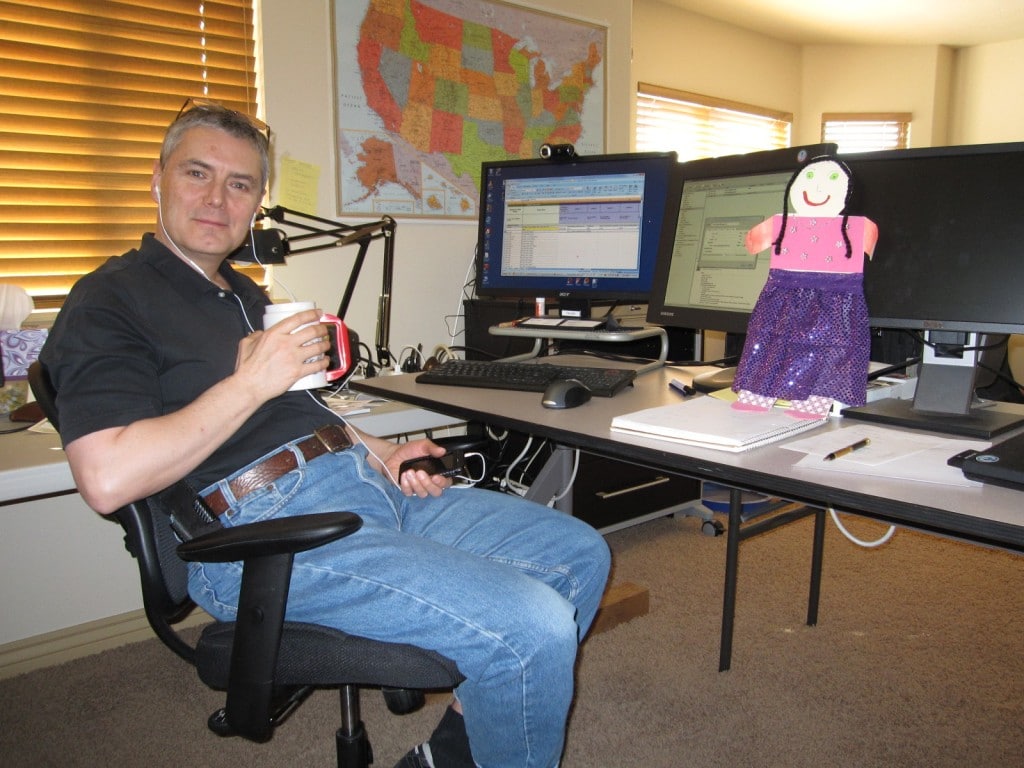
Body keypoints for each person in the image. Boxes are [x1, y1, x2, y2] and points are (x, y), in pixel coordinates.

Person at [39, 100, 611, 768]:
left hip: (362, 488)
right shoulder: (108, 299)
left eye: (241, 184)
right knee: (531, 625)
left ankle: (453, 753)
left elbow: (307, 416)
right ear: (157, 179)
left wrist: (384, 453)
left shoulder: (243, 295)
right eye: (198, 173)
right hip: (267, 532)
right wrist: (252, 381)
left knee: (579, 553)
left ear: (256, 202)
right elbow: (107, 478)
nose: (218, 198)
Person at [732, 156, 879, 419]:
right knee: (770, 342)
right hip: (783, 293)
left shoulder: (859, 227)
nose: (819, 189)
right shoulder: (781, 224)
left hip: (837, 297)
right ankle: (758, 393)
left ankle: (813, 400)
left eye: (831, 180)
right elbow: (753, 242)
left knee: (831, 349)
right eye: (810, 179)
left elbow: (751, 242)